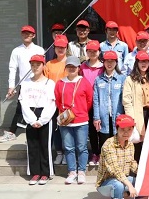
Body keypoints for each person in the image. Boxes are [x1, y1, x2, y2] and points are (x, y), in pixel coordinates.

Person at [0, 25, 45, 143]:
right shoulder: (16, 51)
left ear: (33, 35)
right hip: (24, 85)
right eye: (24, 33)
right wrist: (11, 86)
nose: (26, 35)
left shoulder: (40, 50)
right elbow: (12, 69)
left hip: (39, 84)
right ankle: (12, 132)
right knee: (20, 109)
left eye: (29, 33)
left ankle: (38, 134)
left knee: (38, 109)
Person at [55, 56, 93, 185]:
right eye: (69, 66)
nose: (71, 69)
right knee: (68, 147)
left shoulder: (84, 82)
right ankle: (72, 171)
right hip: (65, 121)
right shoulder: (60, 83)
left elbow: (89, 100)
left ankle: (81, 171)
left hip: (81, 120)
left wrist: (80, 111)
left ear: (78, 68)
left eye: (74, 67)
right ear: (65, 68)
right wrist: (65, 113)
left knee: (82, 147)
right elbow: (58, 100)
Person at [20, 54, 56, 185]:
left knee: (45, 145)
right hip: (30, 115)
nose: (35, 67)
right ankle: (35, 172)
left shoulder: (50, 83)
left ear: (43, 66)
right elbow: (23, 102)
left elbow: (52, 102)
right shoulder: (25, 83)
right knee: (32, 145)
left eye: (38, 65)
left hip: (45, 114)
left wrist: (42, 120)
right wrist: (31, 119)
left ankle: (45, 173)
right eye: (33, 65)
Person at [96, 114, 138, 199]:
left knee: (140, 183)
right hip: (106, 182)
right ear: (117, 128)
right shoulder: (108, 145)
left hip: (123, 178)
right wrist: (130, 186)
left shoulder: (130, 145)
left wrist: (143, 173)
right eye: (123, 129)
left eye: (129, 129)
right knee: (118, 184)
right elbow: (115, 170)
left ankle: (120, 197)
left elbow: (132, 164)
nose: (126, 133)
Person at [92, 51, 126, 166]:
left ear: (116, 62)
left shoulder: (122, 78)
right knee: (105, 142)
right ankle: (106, 166)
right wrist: (96, 117)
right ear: (104, 62)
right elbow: (96, 100)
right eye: (107, 61)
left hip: (118, 116)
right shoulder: (98, 79)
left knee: (118, 140)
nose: (109, 64)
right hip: (103, 116)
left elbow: (125, 98)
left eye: (112, 61)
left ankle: (118, 165)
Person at [123, 51, 149, 162]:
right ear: (136, 63)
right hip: (137, 113)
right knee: (137, 142)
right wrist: (131, 118)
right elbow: (126, 101)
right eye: (141, 61)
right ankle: (136, 167)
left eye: (146, 61)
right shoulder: (130, 79)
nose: (144, 64)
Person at [43, 34, 69, 165]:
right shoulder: (49, 64)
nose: (60, 49)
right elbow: (45, 82)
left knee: (67, 128)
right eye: (58, 47)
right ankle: (59, 152)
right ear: (54, 48)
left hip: (66, 102)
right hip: (52, 102)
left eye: (63, 47)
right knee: (56, 128)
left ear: (67, 47)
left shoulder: (71, 63)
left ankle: (67, 153)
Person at [80, 40, 104, 166]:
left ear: (99, 52)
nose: (92, 53)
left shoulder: (103, 66)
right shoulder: (82, 66)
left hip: (101, 101)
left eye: (95, 51)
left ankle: (103, 153)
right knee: (92, 129)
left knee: (102, 128)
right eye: (89, 51)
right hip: (86, 102)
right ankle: (95, 152)